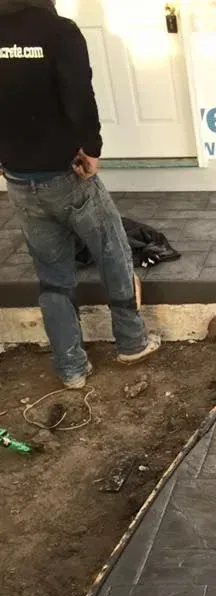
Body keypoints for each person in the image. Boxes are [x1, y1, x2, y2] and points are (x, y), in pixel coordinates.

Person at [0, 0, 160, 388]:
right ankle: (131, 342)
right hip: (67, 174)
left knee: (53, 277)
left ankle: (71, 368)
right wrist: (92, 149)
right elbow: (79, 96)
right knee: (113, 254)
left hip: (19, 178)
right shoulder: (59, 32)